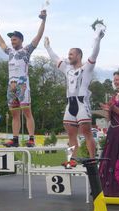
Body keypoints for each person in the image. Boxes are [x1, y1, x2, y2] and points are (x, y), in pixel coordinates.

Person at [44, 25, 105, 164]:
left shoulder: (87, 68)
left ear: (78, 55)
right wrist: (48, 47)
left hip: (82, 103)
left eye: (71, 54)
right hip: (69, 104)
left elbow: (94, 53)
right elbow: (55, 59)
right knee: (71, 134)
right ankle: (71, 160)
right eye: (68, 54)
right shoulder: (67, 69)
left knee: (87, 133)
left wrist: (98, 39)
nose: (68, 56)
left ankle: (92, 159)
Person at [0, 10, 47, 147]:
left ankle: (31, 139)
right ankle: (15, 139)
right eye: (11, 39)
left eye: (14, 39)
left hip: (23, 85)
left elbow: (38, 37)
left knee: (27, 112)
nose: (12, 41)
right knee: (14, 114)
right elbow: (1, 43)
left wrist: (43, 20)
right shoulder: (10, 52)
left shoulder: (26, 50)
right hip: (11, 87)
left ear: (21, 40)